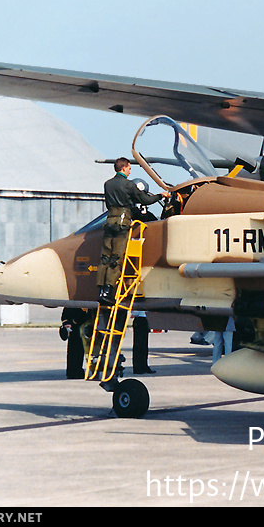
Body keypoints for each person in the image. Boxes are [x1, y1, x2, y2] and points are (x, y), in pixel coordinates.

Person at [96, 157, 170, 306]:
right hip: (122, 222)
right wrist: (161, 196)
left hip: (109, 221)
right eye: (129, 168)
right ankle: (109, 291)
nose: (130, 171)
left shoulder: (108, 184)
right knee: (116, 257)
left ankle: (100, 290)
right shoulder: (128, 185)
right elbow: (145, 200)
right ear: (123, 168)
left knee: (105, 256)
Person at [131, 309, 155, 374]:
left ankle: (144, 366)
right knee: (138, 345)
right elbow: (134, 313)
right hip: (139, 320)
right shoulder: (136, 302)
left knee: (144, 345)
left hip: (144, 319)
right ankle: (138, 367)